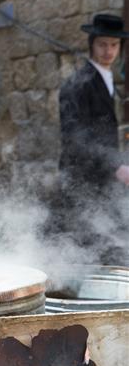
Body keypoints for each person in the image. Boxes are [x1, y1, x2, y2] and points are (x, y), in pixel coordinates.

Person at [56, 13, 129, 261]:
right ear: (92, 44)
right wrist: (115, 164)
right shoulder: (78, 83)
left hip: (102, 180)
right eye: (103, 44)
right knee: (84, 246)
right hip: (83, 178)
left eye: (114, 44)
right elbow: (75, 137)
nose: (109, 51)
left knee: (107, 242)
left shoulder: (105, 79)